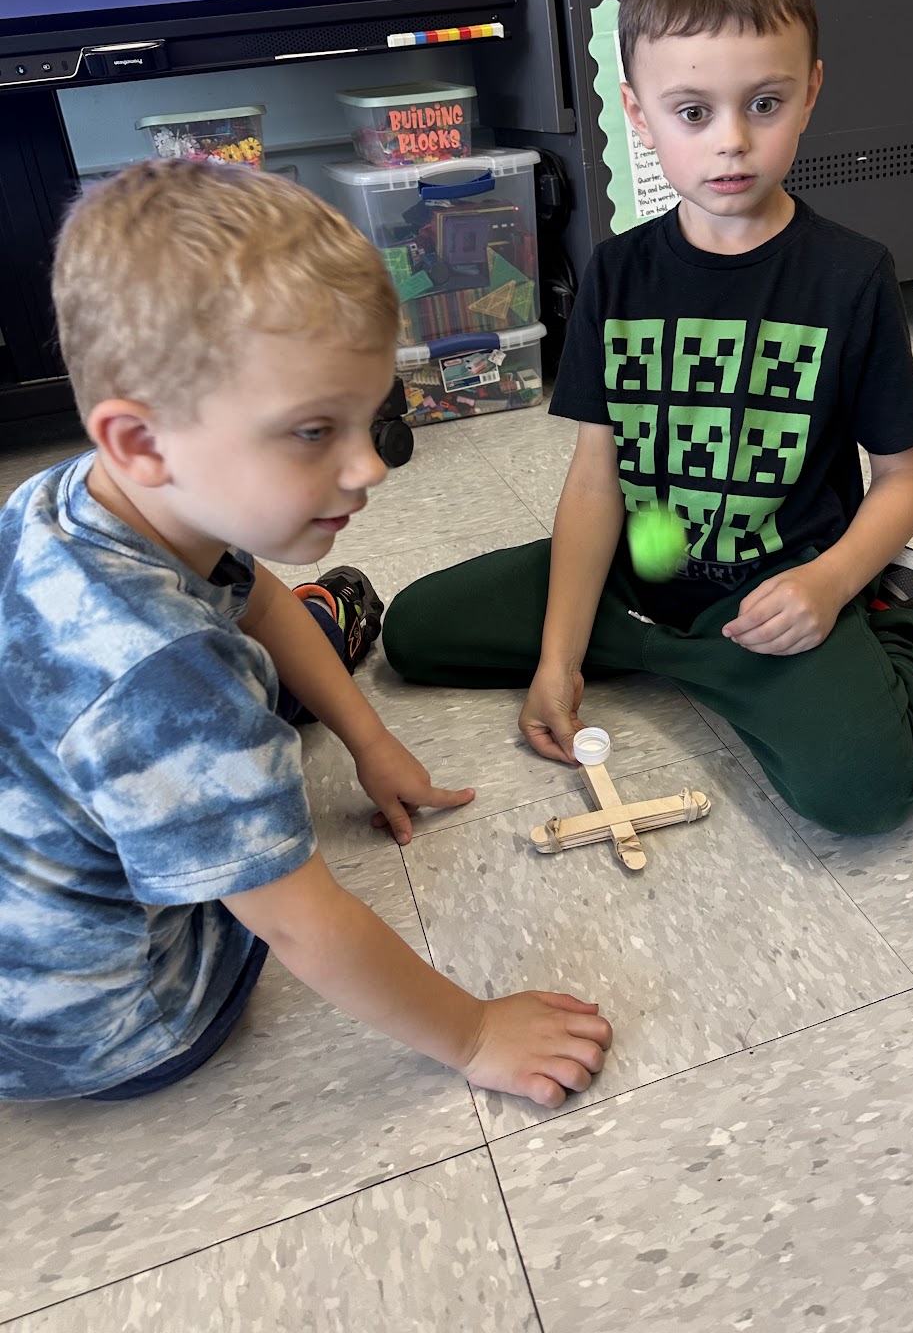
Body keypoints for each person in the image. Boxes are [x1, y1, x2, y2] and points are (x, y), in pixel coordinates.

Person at [0, 160, 611, 1106]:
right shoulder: (172, 677)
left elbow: (252, 595)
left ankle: (320, 641)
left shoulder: (69, 498)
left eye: (370, 420)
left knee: (273, 610)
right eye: (313, 432)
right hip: (117, 1024)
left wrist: (370, 738)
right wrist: (476, 1032)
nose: (368, 465)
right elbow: (301, 922)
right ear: (142, 441)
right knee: (235, 716)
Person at [384, 0, 913, 835]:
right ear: (639, 115)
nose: (731, 142)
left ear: (809, 93)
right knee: (415, 631)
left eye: (763, 103)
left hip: (768, 596)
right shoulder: (616, 274)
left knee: (863, 789)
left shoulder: (850, 276)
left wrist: (836, 582)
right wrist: (561, 658)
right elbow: (593, 477)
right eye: (692, 112)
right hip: (635, 584)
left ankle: (882, 632)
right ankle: (661, 652)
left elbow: (904, 477)